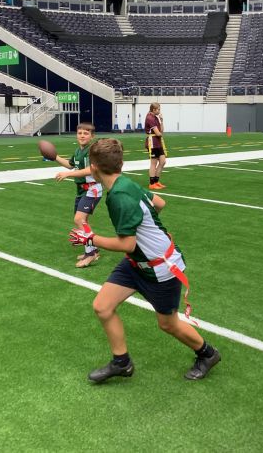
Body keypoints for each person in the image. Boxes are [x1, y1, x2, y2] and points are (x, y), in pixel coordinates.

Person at [69, 138, 220, 382]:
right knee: (103, 306)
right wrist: (148, 230)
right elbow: (159, 202)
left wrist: (90, 238)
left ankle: (208, 354)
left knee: (168, 324)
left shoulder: (119, 196)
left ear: (93, 168)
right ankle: (122, 363)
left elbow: (126, 244)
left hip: (160, 268)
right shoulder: (126, 183)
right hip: (136, 263)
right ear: (120, 164)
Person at [55, 123, 102, 268]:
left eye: (86, 133)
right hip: (82, 190)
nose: (82, 135)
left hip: (92, 189)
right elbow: (71, 164)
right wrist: (54, 156)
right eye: (80, 133)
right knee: (83, 221)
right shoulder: (78, 151)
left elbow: (90, 170)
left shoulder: (91, 150)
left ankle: (90, 253)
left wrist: (68, 174)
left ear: (92, 136)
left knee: (79, 219)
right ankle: (93, 249)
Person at [145, 102, 167, 190]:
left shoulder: (156, 117)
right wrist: (160, 133)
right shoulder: (150, 118)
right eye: (158, 109)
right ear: (153, 109)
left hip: (158, 142)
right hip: (153, 142)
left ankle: (156, 181)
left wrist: (161, 121)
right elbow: (158, 133)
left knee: (162, 161)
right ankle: (152, 183)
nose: (159, 111)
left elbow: (162, 130)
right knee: (153, 163)